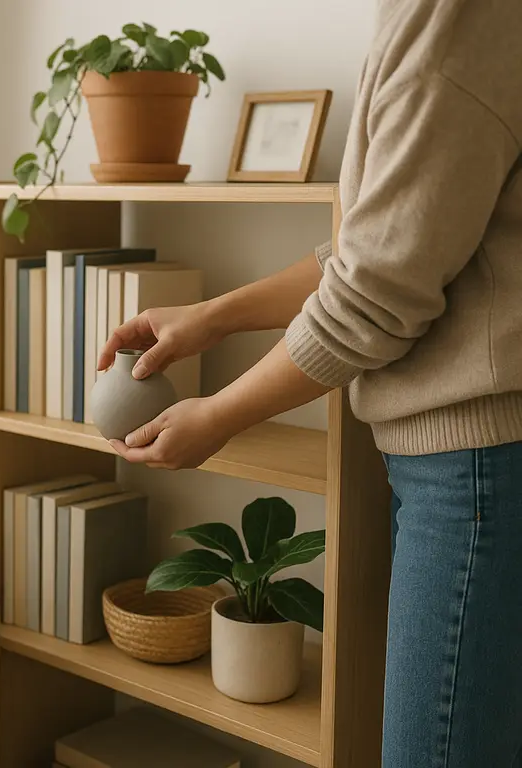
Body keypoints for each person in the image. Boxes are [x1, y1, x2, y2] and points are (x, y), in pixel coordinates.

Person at [98, 2, 522, 766]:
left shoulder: (458, 13)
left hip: (477, 468)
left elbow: (375, 293)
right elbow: (369, 250)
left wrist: (219, 413)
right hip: (464, 464)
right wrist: (212, 317)